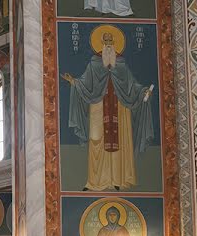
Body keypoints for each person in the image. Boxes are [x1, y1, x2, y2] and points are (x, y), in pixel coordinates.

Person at [63, 30, 154, 191]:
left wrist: (143, 92)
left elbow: (131, 85)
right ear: (102, 43)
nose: (109, 44)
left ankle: (118, 180)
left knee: (121, 142)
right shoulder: (95, 62)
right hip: (98, 106)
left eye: (111, 41)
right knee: (96, 140)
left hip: (119, 107)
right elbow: (86, 83)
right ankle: (95, 181)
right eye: (106, 41)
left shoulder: (121, 62)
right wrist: (74, 83)